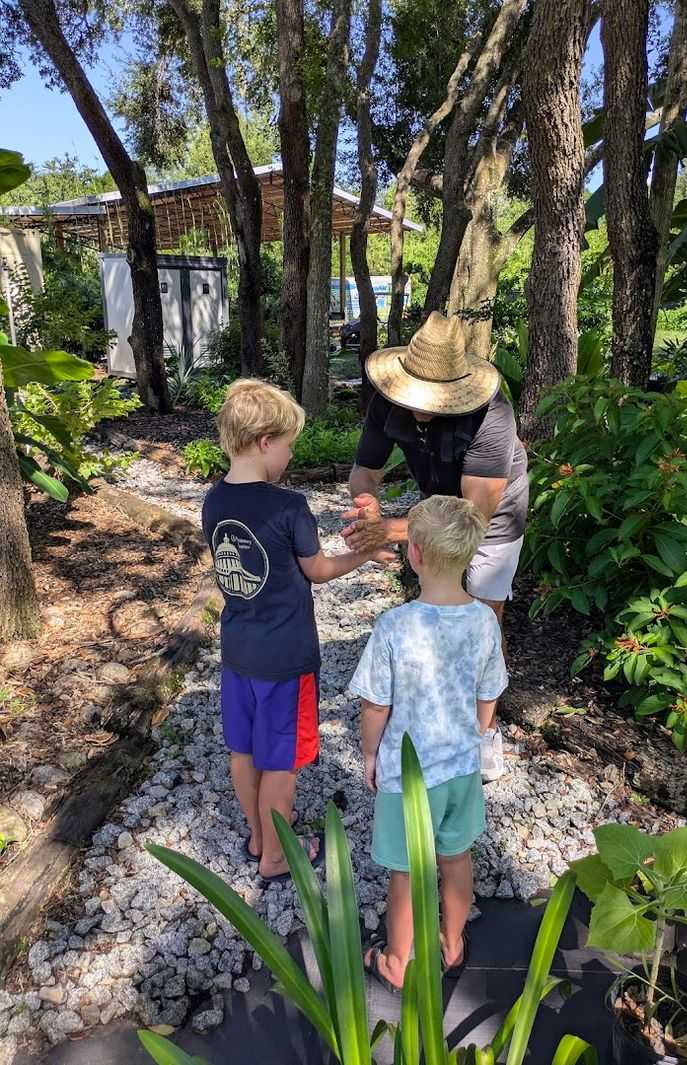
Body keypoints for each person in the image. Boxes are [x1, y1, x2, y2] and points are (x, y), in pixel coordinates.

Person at [201, 379, 390, 883]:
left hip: (238, 651)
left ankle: (259, 836)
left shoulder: (213, 501)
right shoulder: (288, 507)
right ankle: (278, 856)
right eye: (288, 445)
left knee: (244, 752)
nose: (288, 456)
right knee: (281, 760)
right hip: (285, 659)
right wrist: (366, 553)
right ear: (265, 441)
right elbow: (319, 570)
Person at [343, 311, 527, 781]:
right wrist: (368, 513)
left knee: (484, 612)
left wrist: (390, 530)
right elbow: (365, 474)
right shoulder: (386, 404)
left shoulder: (493, 414)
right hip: (435, 503)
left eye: (433, 400)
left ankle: (484, 730)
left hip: (494, 513)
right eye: (414, 396)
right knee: (433, 603)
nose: (421, 408)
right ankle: (428, 706)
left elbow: (474, 514)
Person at [350, 495, 508, 991]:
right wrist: (477, 736)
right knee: (456, 859)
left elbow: (375, 705)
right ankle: (453, 944)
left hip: (408, 776)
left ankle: (398, 960)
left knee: (405, 872)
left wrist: (371, 754)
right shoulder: (484, 620)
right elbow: (489, 696)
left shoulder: (395, 625)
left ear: (414, 554)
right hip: (461, 770)